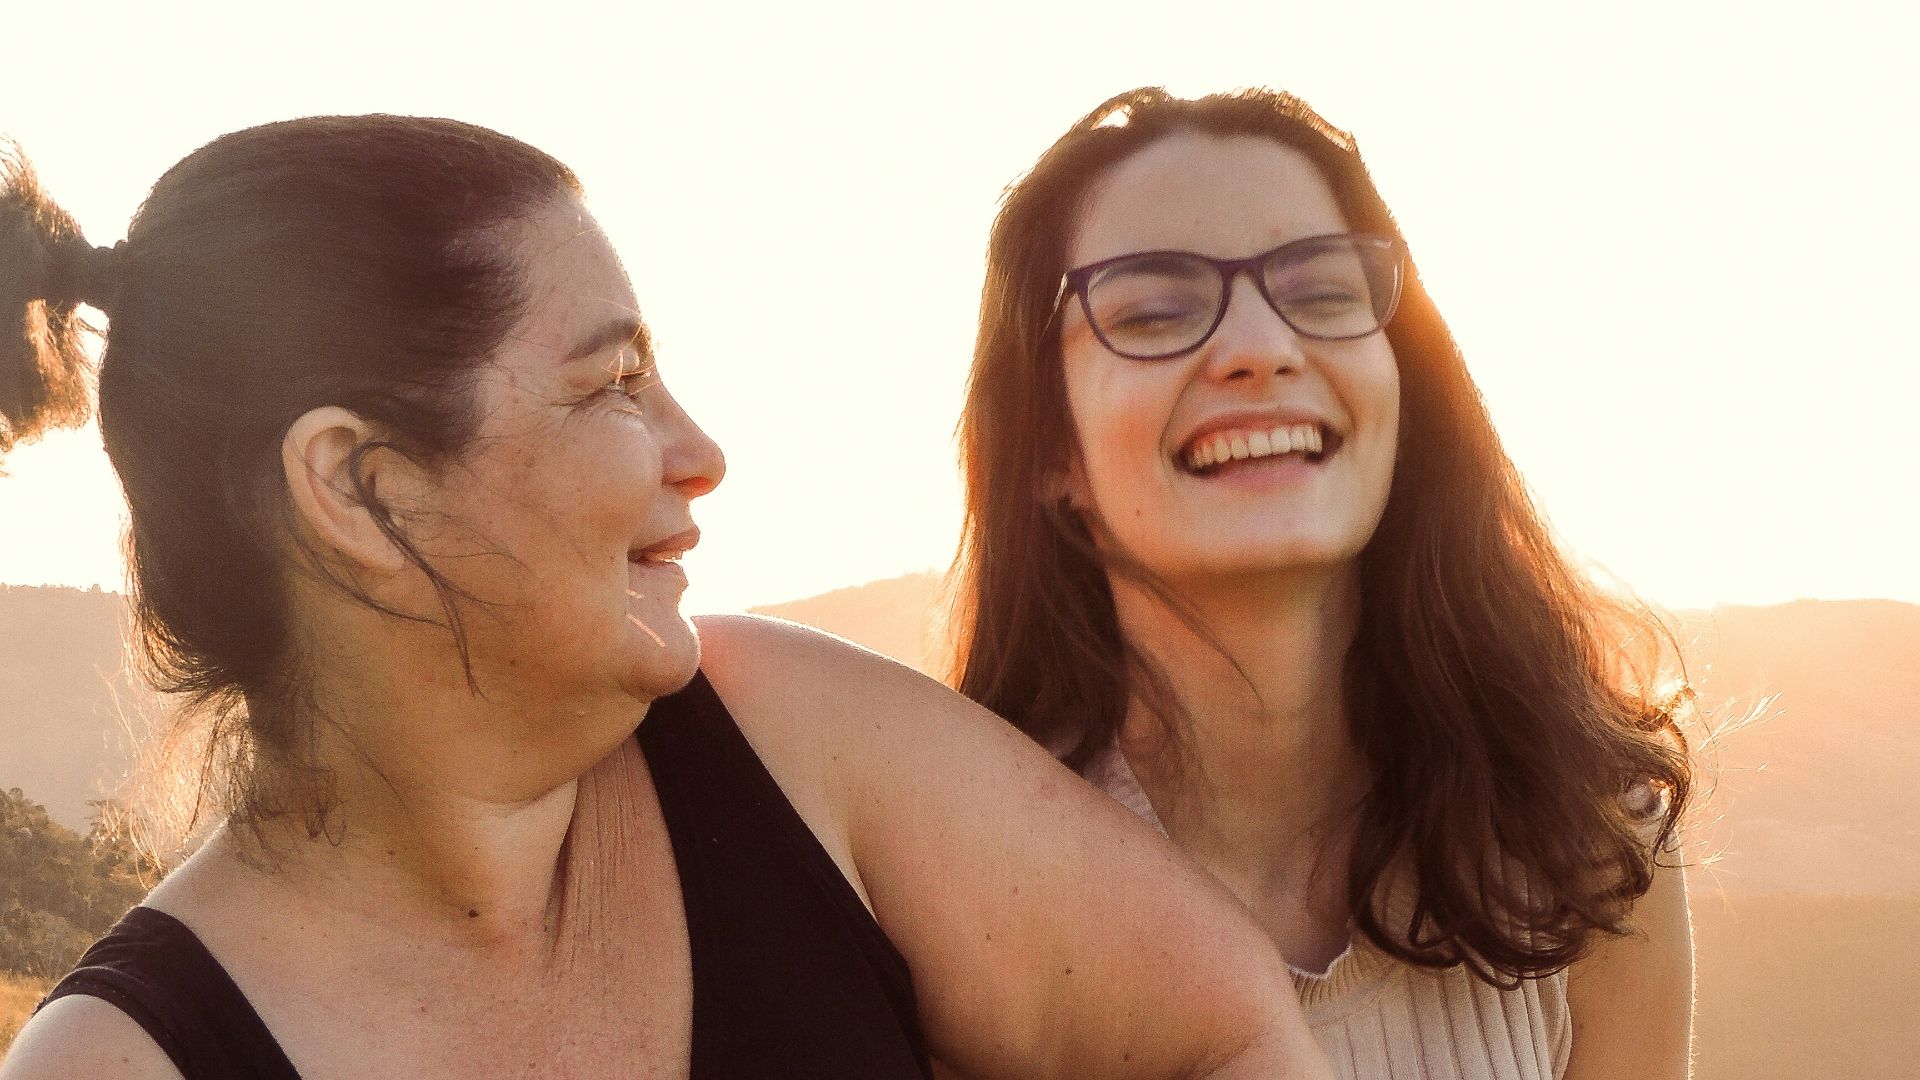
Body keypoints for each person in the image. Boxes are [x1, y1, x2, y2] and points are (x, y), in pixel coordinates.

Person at [0, 116, 1333, 1079]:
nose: (700, 452)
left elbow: (1234, 1038)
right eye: (612, 385)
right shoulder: (125, 1065)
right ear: (363, 492)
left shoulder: (794, 738)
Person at [946, 87, 1695, 1080]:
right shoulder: (960, 896)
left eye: (1323, 291)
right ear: (1052, 449)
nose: (1261, 350)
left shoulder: (1590, 850)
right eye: (1155, 308)